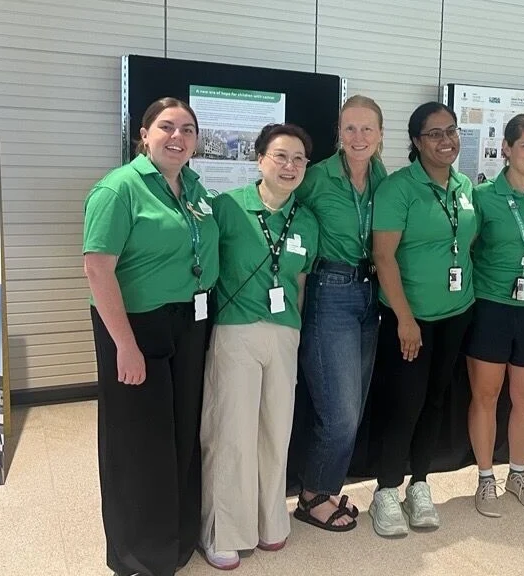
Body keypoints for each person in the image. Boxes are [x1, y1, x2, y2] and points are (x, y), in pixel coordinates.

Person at [83, 97, 219, 576]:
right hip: (135, 327)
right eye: (166, 126)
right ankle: (137, 553)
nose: (177, 136)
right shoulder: (118, 189)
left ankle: (176, 539)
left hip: (189, 322)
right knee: (139, 443)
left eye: (187, 128)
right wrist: (125, 345)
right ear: (144, 134)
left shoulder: (193, 188)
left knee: (181, 434)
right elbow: (97, 269)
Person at [199, 123, 319, 570]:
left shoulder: (306, 219)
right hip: (236, 330)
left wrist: (294, 328)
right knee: (231, 433)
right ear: (260, 159)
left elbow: (298, 283)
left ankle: (272, 522)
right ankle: (224, 531)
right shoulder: (228, 207)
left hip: (285, 333)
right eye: (280, 156)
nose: (290, 166)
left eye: (299, 159)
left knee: (275, 431)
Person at [369, 101, 477, 538]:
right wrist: (405, 319)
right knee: (406, 404)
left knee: (435, 401)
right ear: (415, 141)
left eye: (451, 131)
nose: (446, 140)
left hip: (457, 312)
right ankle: (385, 491)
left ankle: (419, 483)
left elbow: (468, 245)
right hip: (410, 319)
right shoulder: (399, 188)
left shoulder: (465, 185)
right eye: (434, 133)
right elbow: (384, 257)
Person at [294, 95, 388, 531]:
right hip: (329, 292)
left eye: (367, 129)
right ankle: (312, 496)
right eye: (350, 128)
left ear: (381, 136)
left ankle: (325, 490)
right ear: (338, 133)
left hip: (371, 293)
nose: (358, 137)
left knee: (355, 403)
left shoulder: (382, 176)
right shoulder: (315, 178)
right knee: (340, 411)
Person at [465, 114, 524, 518]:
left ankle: (517, 474)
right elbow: (461, 249)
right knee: (485, 396)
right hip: (491, 307)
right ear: (506, 148)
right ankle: (486, 479)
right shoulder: (482, 197)